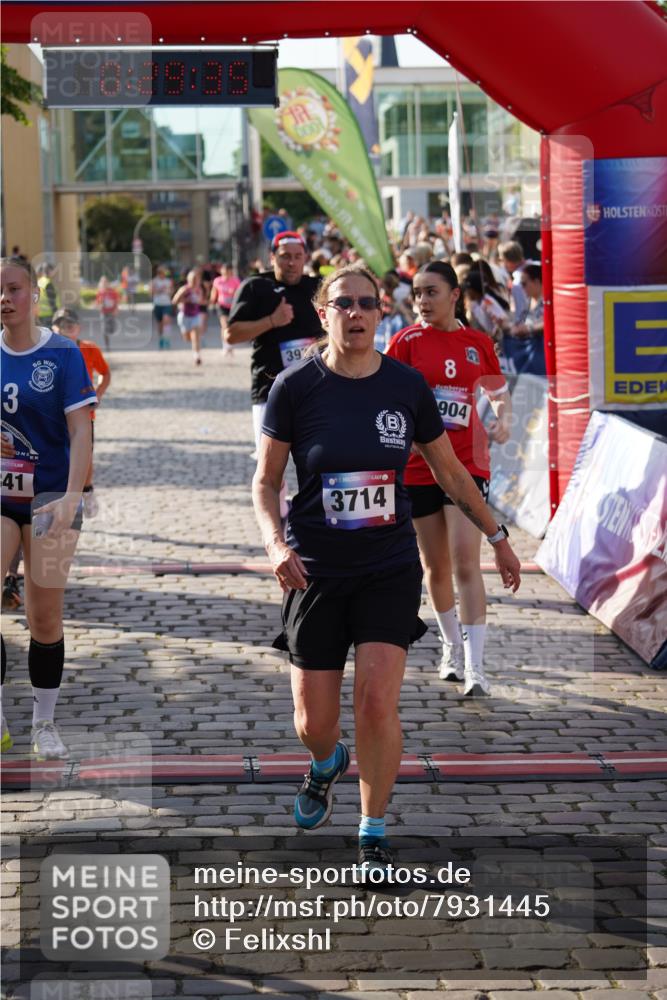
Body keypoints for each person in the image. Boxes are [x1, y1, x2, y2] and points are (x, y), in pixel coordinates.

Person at [252, 264, 521, 872]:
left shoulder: (404, 386)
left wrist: (497, 535)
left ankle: (372, 826)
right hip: (315, 570)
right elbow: (266, 482)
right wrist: (275, 544)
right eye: (343, 303)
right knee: (312, 721)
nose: (356, 313)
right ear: (324, 313)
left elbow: (452, 473)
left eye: (367, 303)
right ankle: (326, 763)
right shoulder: (294, 387)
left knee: (377, 703)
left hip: (387, 567)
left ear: (381, 314)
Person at [386, 261, 512, 697]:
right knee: (434, 566)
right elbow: (388, 398)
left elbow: (497, 391)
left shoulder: (477, 342)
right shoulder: (404, 341)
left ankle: (477, 666)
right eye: (417, 292)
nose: (421, 300)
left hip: (468, 464)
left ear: (455, 295)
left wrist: (503, 420)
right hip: (419, 467)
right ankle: (451, 648)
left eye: (431, 292)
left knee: (464, 561)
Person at [1, 257, 96, 758]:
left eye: (14, 289)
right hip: (0, 499)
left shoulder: (62, 354)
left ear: (33, 296)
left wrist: (72, 497)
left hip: (50, 500)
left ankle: (43, 724)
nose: (5, 298)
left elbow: (82, 430)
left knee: (43, 617)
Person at [227, 231, 321, 497]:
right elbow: (231, 334)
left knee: (319, 460)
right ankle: (276, 528)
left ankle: (311, 520)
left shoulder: (317, 288)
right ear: (272, 258)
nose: (291, 263)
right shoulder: (256, 287)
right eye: (284, 257)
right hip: (269, 391)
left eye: (297, 257)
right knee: (270, 469)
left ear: (305, 258)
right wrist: (271, 320)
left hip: (315, 390)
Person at [51, 307, 111, 517]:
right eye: (60, 325)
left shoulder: (90, 349)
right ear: (53, 327)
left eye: (70, 325)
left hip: (84, 415)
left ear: (78, 328)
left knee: (85, 455)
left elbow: (105, 373)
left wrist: (98, 394)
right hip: (55, 415)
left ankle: (87, 490)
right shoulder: (47, 350)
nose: (64, 329)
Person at [500, 263, 546, 376]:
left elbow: (549, 323)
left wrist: (529, 329)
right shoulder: (529, 302)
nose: (521, 287)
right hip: (526, 359)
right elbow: (520, 322)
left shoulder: (548, 303)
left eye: (524, 283)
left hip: (540, 359)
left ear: (537, 282)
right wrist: (509, 326)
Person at [172, 269, 205, 365]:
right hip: (184, 316)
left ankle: (197, 356)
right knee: (187, 338)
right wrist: (186, 300)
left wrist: (199, 301)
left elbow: (201, 301)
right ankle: (194, 346)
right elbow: (174, 301)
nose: (195, 281)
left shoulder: (199, 290)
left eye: (196, 279)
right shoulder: (184, 289)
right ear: (188, 280)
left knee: (196, 337)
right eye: (193, 279)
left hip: (195, 316)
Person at [209, 263, 240, 358]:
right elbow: (214, 292)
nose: (226, 273)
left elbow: (240, 293)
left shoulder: (235, 281)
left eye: (228, 271)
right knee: (224, 325)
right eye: (224, 271)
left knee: (231, 327)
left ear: (231, 272)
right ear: (221, 271)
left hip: (233, 306)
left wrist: (234, 293)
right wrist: (211, 302)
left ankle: (230, 345)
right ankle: (226, 346)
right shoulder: (217, 281)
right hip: (222, 306)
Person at [151, 266, 174, 349]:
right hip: (158, 304)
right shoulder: (154, 281)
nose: (164, 274)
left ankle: (167, 339)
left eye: (165, 272)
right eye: (162, 272)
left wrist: (169, 292)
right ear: (159, 273)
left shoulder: (168, 281)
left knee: (166, 321)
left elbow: (171, 291)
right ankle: (161, 338)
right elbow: (151, 292)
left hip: (167, 304)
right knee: (160, 324)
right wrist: (160, 290)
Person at [95, 277, 120, 352]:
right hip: (104, 312)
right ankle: (107, 346)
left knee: (112, 329)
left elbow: (117, 301)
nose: (104, 284)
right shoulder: (100, 293)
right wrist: (99, 305)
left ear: (108, 283)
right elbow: (97, 303)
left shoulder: (112, 291)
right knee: (104, 330)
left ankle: (109, 331)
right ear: (101, 284)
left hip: (111, 312)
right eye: (103, 283)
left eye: (105, 282)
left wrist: (116, 309)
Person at [36, 263, 59, 328]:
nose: (55, 273)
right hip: (49, 314)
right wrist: (57, 313)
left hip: (40, 313)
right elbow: (52, 300)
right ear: (49, 271)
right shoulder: (48, 283)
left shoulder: (39, 281)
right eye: (53, 271)